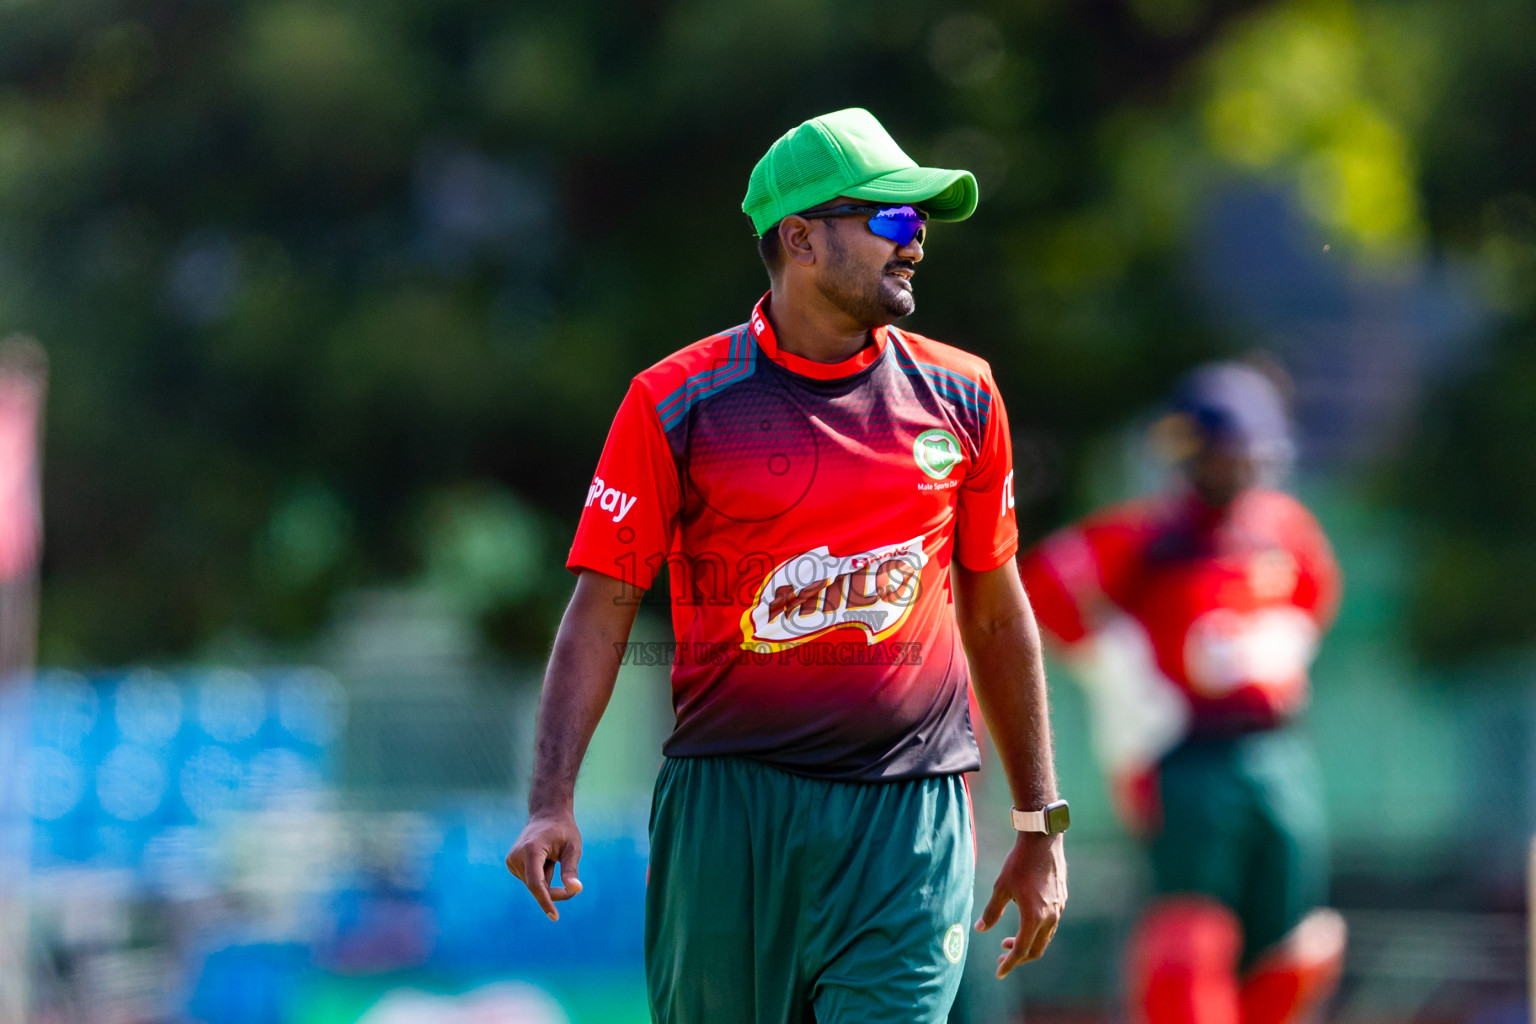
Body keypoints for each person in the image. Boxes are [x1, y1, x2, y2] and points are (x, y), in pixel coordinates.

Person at [506, 108, 1068, 1024]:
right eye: (890, 219)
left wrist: (1041, 825)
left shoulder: (965, 394)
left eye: (920, 222)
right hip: (731, 815)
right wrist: (549, 800)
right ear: (802, 238)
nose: (915, 242)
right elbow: (602, 608)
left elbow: (999, 616)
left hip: (908, 819)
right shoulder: (676, 401)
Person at [1018, 363, 1347, 1024]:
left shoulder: (1283, 530)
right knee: (1189, 934)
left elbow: (1317, 593)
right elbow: (1041, 587)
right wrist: (1116, 659)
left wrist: (1283, 650)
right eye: (1221, 455)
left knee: (1295, 938)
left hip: (1277, 752)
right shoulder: (1144, 538)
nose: (1234, 469)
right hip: (1186, 757)